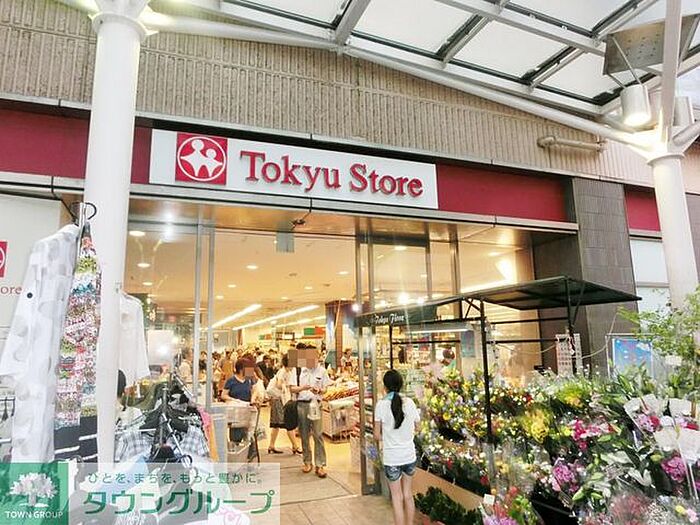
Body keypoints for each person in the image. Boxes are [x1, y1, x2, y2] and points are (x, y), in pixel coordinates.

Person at [374, 370, 421, 525]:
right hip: (409, 456)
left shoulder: (381, 405)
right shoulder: (410, 403)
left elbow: (376, 435)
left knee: (397, 497)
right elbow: (418, 427)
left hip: (392, 458)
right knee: (408, 494)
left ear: (385, 386)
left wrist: (388, 438)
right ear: (401, 384)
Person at [289, 344, 330, 478]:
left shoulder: (322, 371)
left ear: (318, 356)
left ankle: (320, 464)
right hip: (302, 405)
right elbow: (292, 388)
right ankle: (307, 461)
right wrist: (303, 388)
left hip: (316, 405)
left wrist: (320, 390)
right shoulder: (298, 370)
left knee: (318, 434)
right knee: (304, 434)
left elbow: (325, 389)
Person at [266, 355, 302, 455]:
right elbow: (278, 385)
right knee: (288, 422)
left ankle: (271, 445)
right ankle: (295, 446)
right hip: (279, 400)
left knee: (276, 424)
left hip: (278, 399)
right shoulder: (283, 372)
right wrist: (286, 386)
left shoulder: (287, 371)